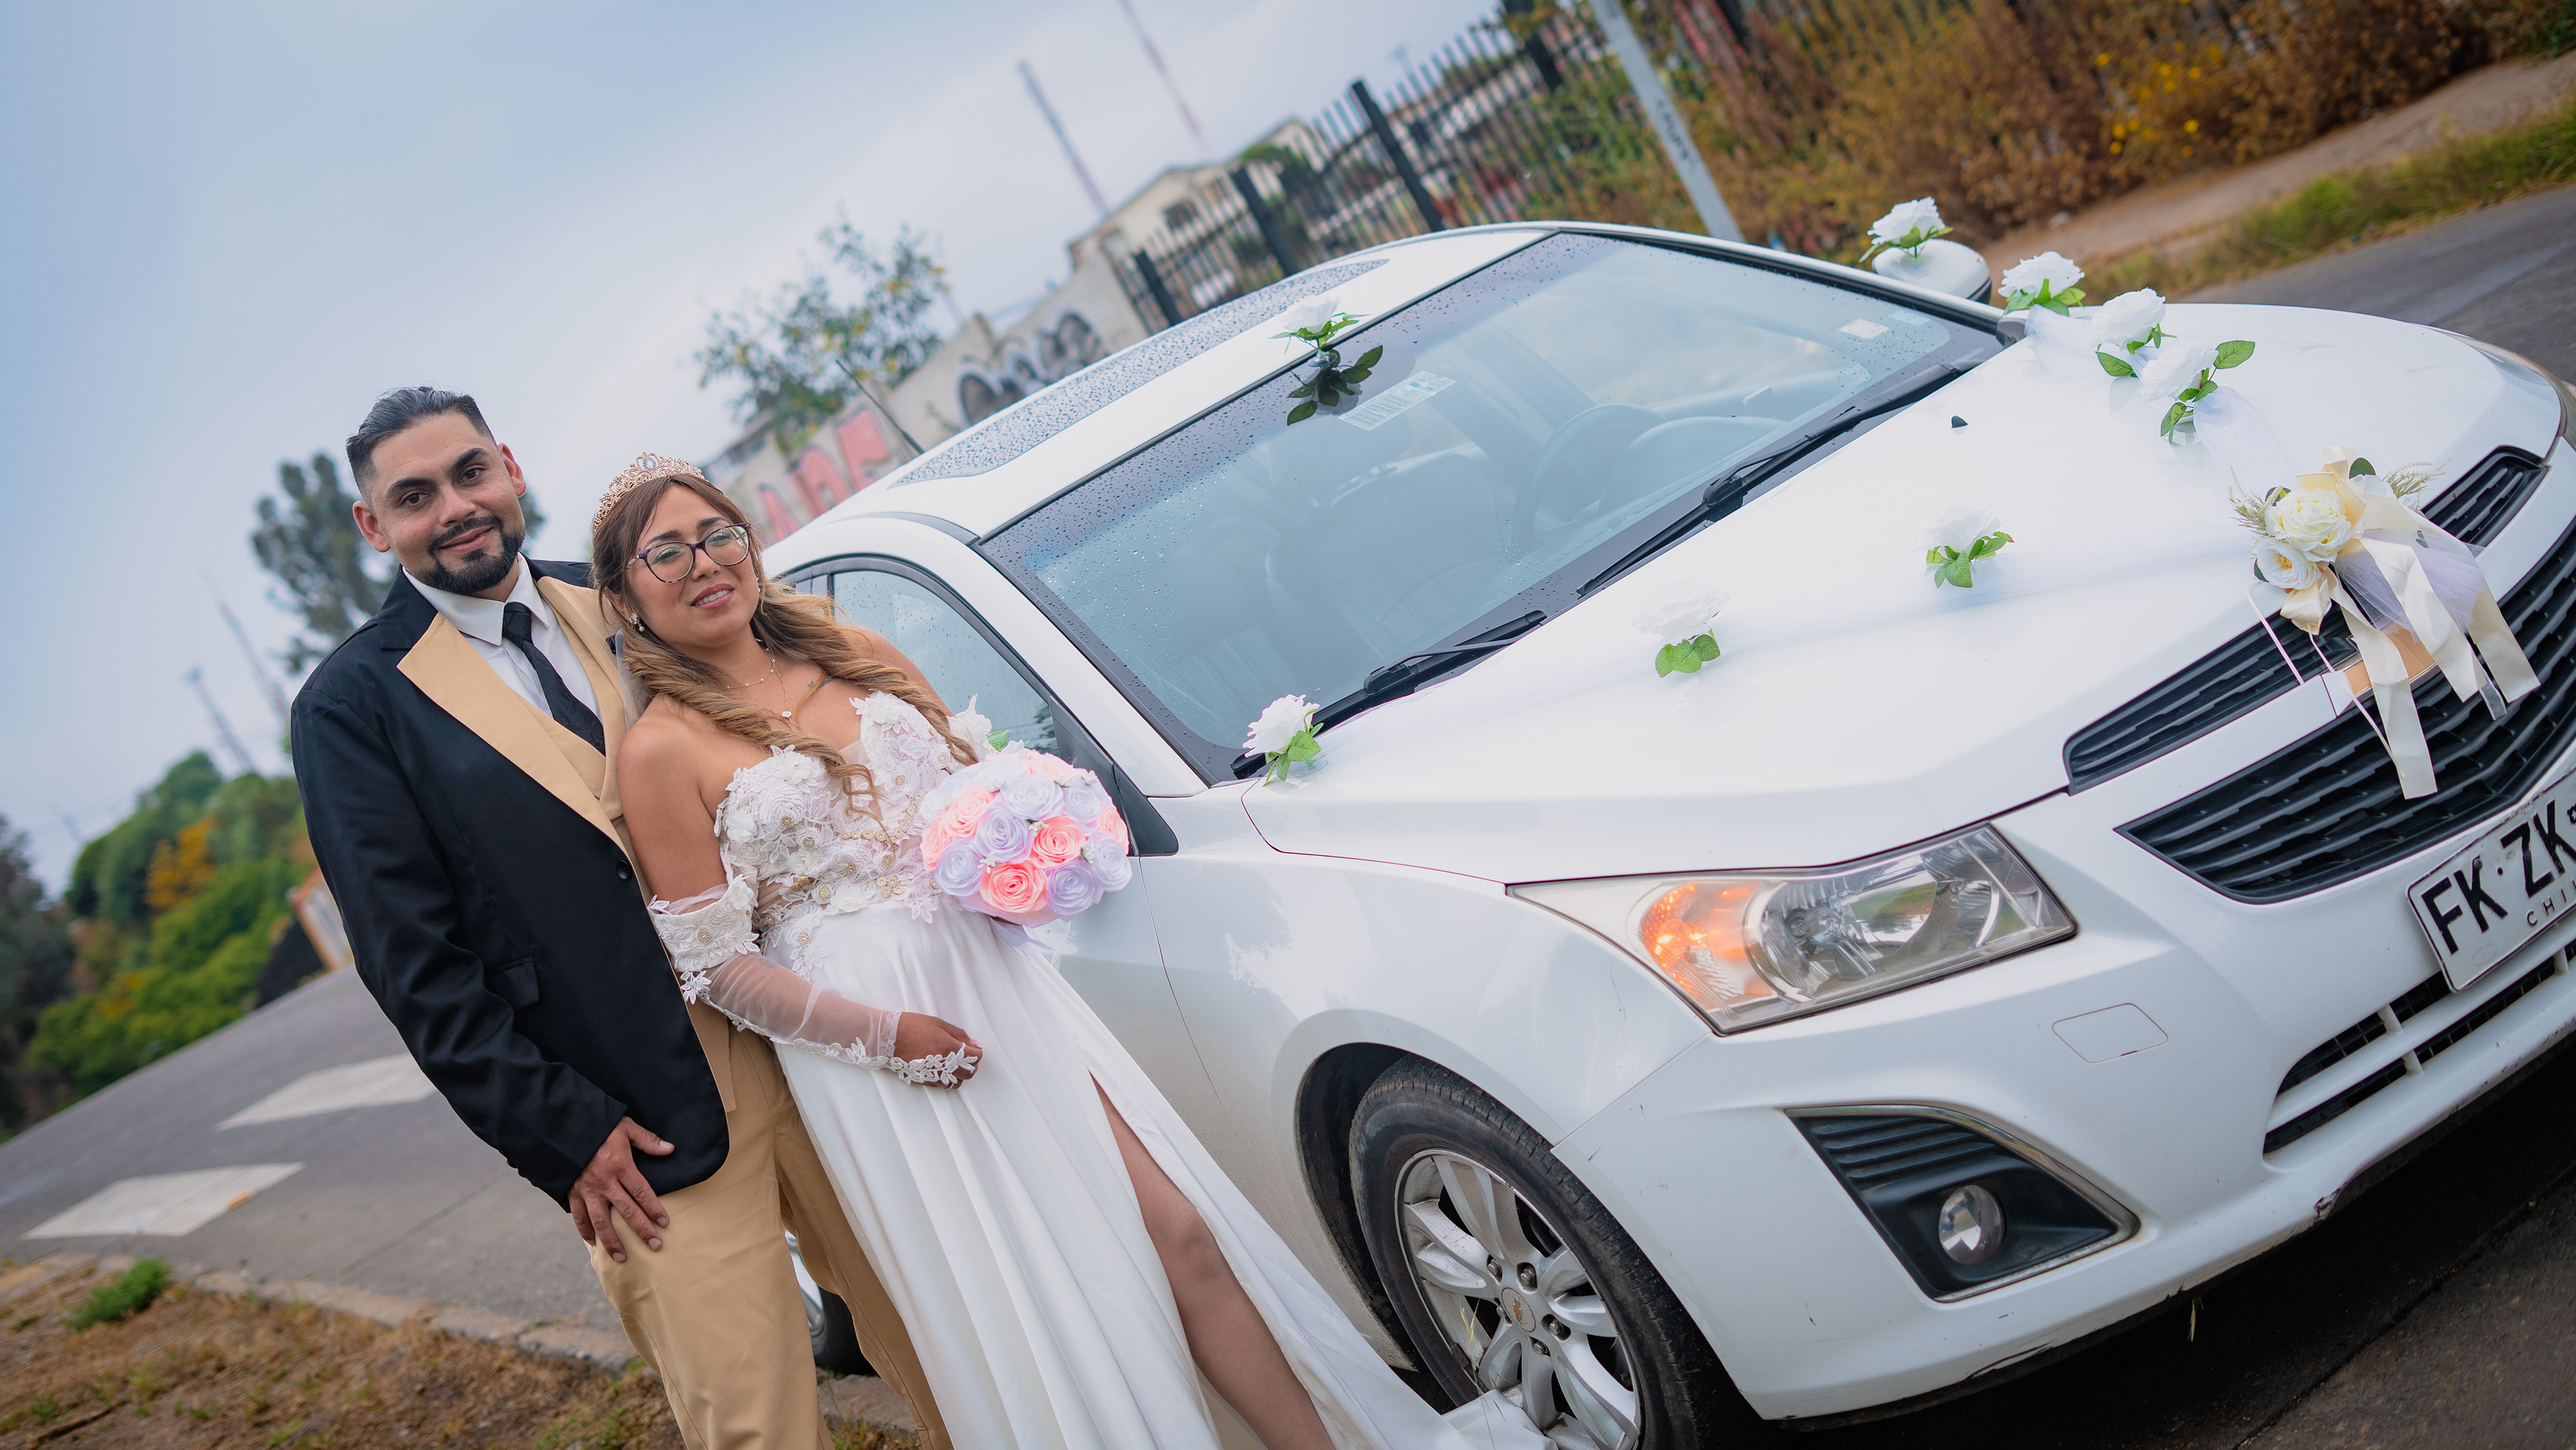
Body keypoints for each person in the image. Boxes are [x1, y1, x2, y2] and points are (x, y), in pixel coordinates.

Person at [601, 452, 1542, 1450]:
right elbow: (717, 967)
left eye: (718, 534)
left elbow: (972, 796)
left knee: (1179, 1233)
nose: (705, 562)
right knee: (1055, 1308)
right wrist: (886, 1035)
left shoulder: (857, 651)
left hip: (1003, 986)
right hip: (877, 1060)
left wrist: (1034, 855)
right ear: (624, 594)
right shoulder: (661, 751)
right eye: (668, 552)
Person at [290, 389, 948, 1450]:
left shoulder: (626, 589)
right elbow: (416, 968)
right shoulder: (351, 706)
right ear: (375, 525)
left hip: (815, 1042)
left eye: (469, 472)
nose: (455, 507)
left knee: (950, 1339)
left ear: (509, 467)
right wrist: (564, 1133)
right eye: (414, 497)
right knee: (758, 1423)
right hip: (638, 1125)